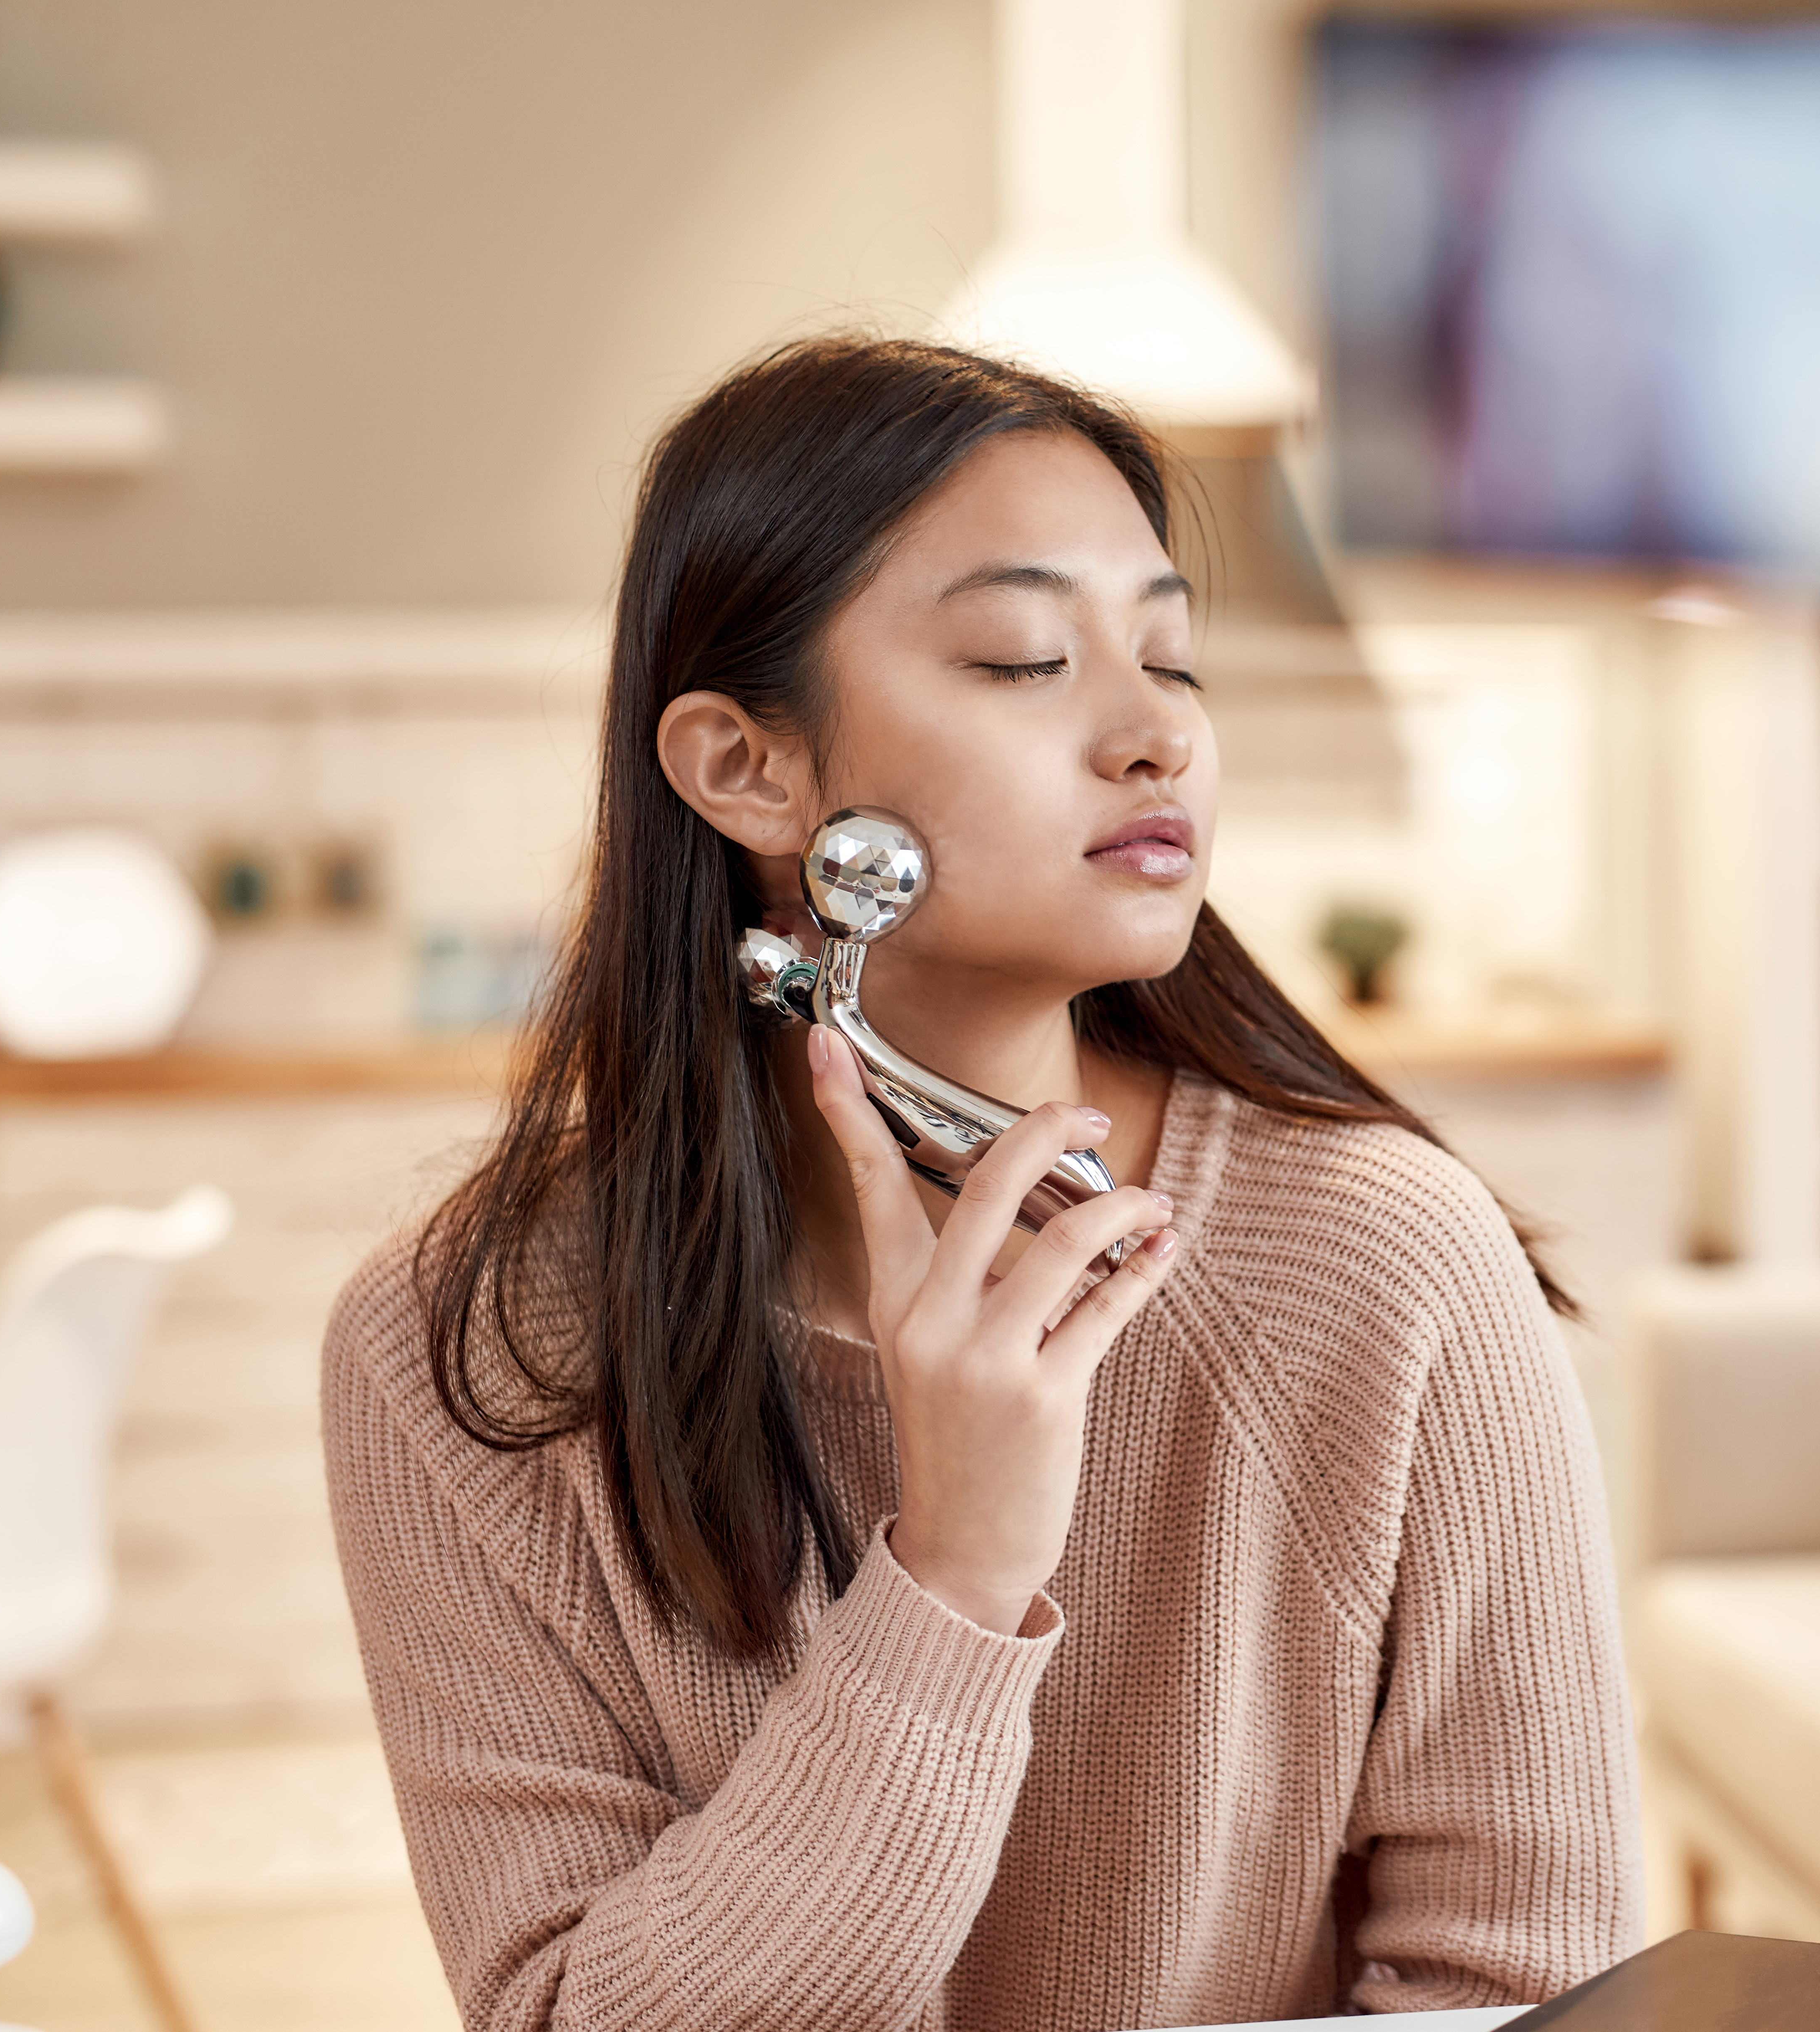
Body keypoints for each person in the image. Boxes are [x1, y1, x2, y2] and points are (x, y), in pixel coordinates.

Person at [322, 337, 1640, 2031]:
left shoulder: (1385, 1263)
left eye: (1169, 654)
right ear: (746, 771)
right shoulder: (467, 1353)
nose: (1154, 730)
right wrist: (949, 1581)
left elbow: (1531, 1992)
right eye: (1025, 658)